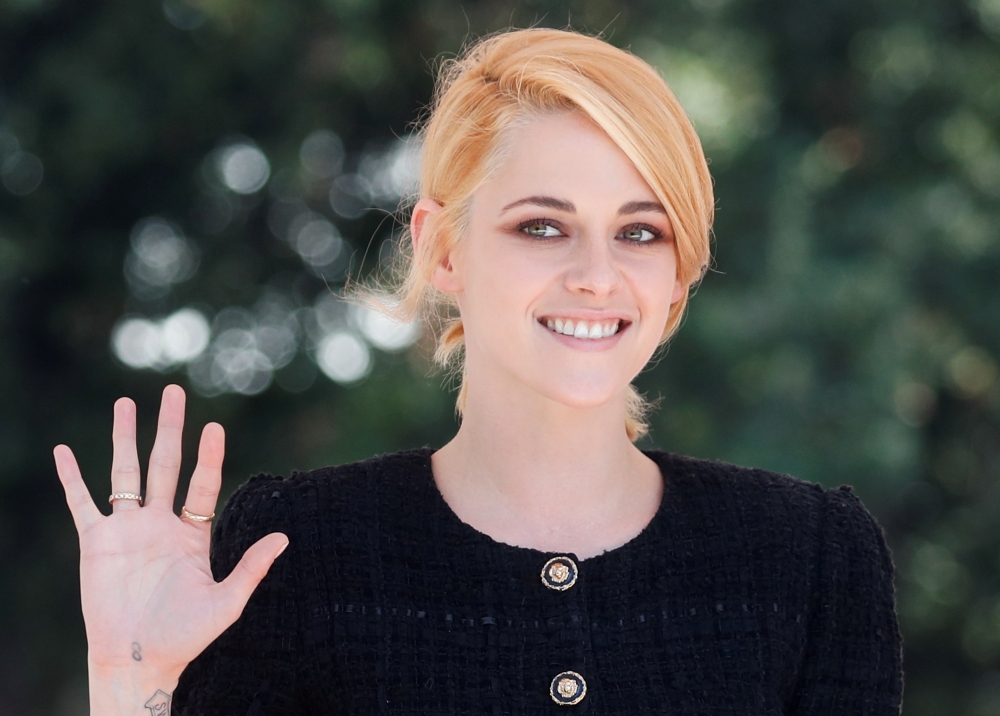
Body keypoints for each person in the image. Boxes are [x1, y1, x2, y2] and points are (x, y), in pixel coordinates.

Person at [54, 27, 903, 715]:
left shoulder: (812, 559)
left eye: (641, 231)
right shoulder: (296, 551)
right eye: (542, 226)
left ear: (680, 267)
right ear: (444, 248)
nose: (597, 275)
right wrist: (130, 677)